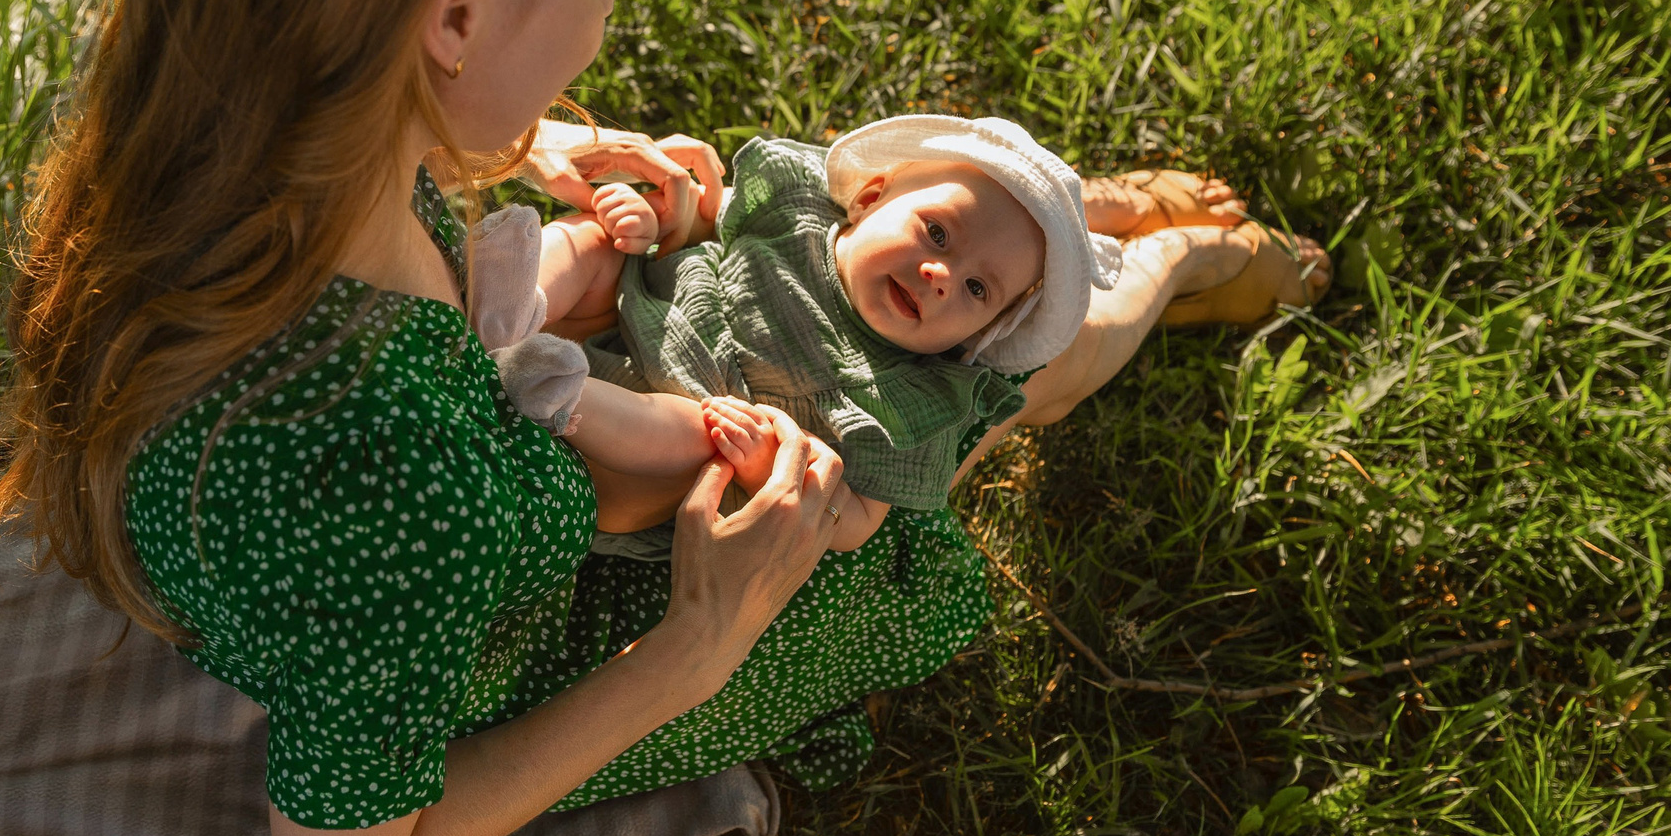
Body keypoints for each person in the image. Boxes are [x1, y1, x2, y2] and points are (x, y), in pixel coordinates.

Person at [0, 0, 1322, 836]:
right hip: (536, 635)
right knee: (970, 408)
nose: (609, 15)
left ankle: (1051, 225)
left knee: (841, 287)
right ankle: (1145, 267)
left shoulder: (184, 132)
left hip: (424, 492)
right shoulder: (402, 474)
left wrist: (518, 140)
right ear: (451, 11)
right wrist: (694, 646)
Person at [477, 116, 1314, 549]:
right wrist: (666, 223)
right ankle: (512, 295)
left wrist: (779, 469)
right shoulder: (796, 212)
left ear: (981, 333)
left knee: (693, 441)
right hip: (645, 322)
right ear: (869, 197)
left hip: (698, 417)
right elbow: (700, 233)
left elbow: (853, 518)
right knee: (589, 243)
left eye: (976, 290)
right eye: (937, 238)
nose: (944, 276)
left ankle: (1176, 258)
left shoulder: (916, 391)